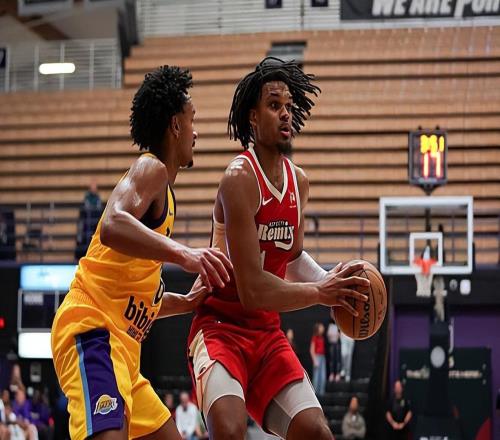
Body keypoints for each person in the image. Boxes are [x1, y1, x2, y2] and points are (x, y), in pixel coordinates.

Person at [187, 57, 370, 440]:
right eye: (274, 105)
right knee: (230, 430)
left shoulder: (299, 182)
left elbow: (294, 257)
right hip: (220, 328)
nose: (285, 113)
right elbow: (252, 290)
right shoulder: (239, 178)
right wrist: (320, 292)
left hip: (267, 334)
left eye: (288, 106)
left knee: (318, 433)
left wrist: (331, 282)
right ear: (253, 118)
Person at [51, 65, 232, 440]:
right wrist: (185, 255)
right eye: (192, 119)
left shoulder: (166, 198)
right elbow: (111, 225)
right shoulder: (151, 169)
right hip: (93, 330)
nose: (196, 132)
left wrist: (188, 302)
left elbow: (137, 297)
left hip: (125, 353)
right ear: (175, 125)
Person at [310, 323, 326, 395]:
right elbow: (311, 350)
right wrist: (314, 360)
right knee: (316, 376)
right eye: (321, 327)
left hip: (322, 357)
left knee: (322, 376)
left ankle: (321, 393)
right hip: (317, 357)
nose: (322, 328)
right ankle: (315, 393)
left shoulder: (322, 337)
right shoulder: (314, 338)